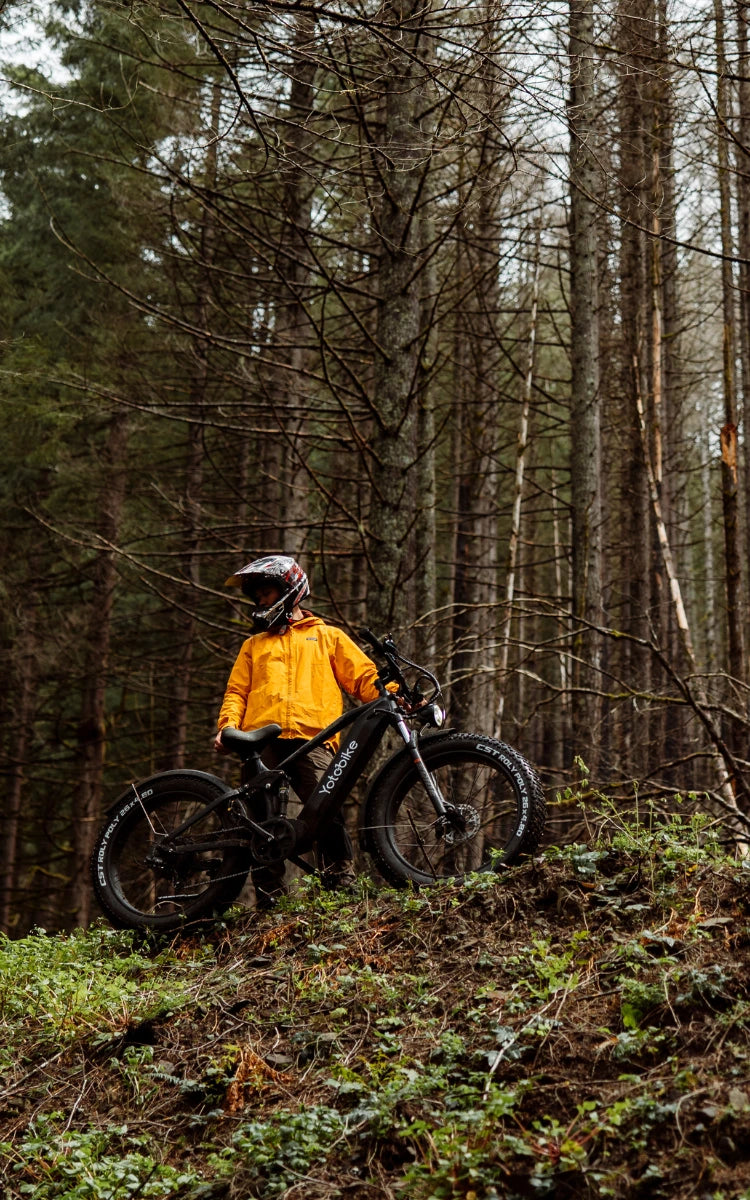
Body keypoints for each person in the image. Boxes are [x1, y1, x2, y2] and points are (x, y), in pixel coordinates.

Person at [214, 554, 387, 908]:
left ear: (290, 590)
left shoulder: (326, 637)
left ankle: (340, 882)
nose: (261, 600)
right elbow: (237, 692)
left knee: (326, 809)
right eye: (257, 595)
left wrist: (394, 696)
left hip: (314, 737)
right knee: (262, 820)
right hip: (260, 740)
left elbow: (364, 678)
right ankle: (269, 899)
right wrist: (227, 726)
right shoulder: (254, 645)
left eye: (267, 592)